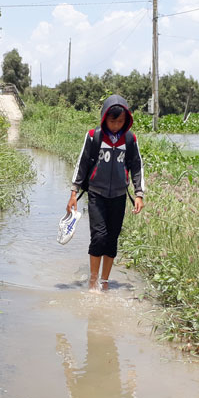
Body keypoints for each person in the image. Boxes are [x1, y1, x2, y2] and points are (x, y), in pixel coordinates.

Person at [66, 95, 145, 291]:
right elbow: (82, 163)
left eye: (120, 121)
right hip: (96, 194)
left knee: (112, 239)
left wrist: (139, 194)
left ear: (126, 120)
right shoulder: (94, 136)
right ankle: (93, 281)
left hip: (118, 196)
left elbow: (137, 167)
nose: (116, 125)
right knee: (99, 237)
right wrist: (74, 192)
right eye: (112, 121)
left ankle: (105, 281)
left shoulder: (129, 139)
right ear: (104, 118)